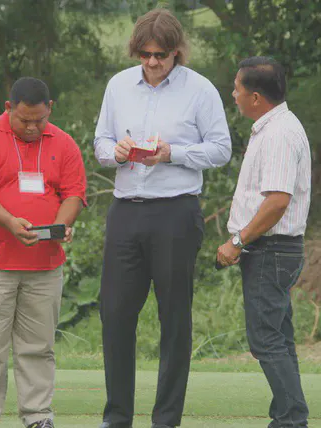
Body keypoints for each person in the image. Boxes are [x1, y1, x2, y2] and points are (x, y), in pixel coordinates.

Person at [93, 9, 232, 428]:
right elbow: (100, 141)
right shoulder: (119, 85)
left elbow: (221, 149)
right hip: (125, 210)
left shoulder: (200, 90)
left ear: (176, 52)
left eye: (161, 55)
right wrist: (114, 151)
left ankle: (166, 419)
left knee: (174, 317)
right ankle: (117, 417)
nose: (153, 63)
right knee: (115, 313)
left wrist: (173, 152)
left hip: (176, 210)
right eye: (145, 54)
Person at [0, 77, 87, 428]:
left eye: (39, 120)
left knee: (38, 346)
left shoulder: (64, 143)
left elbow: (74, 192)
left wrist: (61, 226)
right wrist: (10, 221)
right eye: (23, 120)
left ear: (50, 110)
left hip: (44, 265)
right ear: (7, 109)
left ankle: (38, 416)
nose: (31, 127)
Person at [217, 56, 312, 428]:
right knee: (278, 338)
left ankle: (290, 420)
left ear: (255, 96)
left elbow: (277, 201)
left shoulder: (278, 134)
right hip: (275, 250)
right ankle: (288, 417)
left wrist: (238, 241)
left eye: (237, 89)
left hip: (271, 249)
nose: (234, 95)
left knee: (266, 340)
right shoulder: (275, 127)